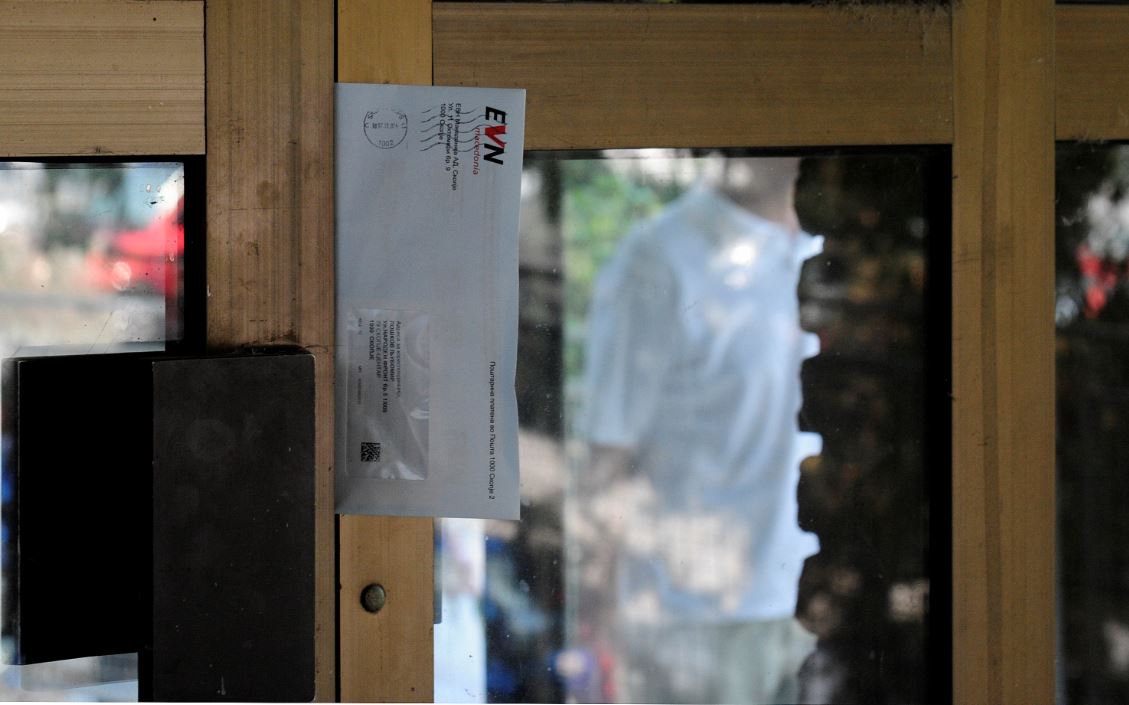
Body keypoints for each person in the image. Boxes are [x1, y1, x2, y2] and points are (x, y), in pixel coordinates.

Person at [576, 156, 823, 704]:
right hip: (687, 627)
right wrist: (595, 629)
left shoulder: (805, 248)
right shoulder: (661, 258)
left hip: (783, 615)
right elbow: (608, 455)